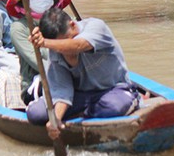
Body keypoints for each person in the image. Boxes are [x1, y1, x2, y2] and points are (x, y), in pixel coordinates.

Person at [25, 7, 140, 139]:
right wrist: (55, 119)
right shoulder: (55, 50)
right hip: (80, 97)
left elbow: (78, 45)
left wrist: (45, 43)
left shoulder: (96, 27)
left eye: (65, 41)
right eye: (60, 46)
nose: (64, 50)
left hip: (111, 90)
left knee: (112, 107)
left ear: (73, 25)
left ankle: (128, 101)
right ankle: (84, 113)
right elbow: (62, 90)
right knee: (37, 114)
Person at [6, 0, 71, 105]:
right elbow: (37, 61)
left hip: (69, 73)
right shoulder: (19, 28)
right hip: (36, 81)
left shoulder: (62, 19)